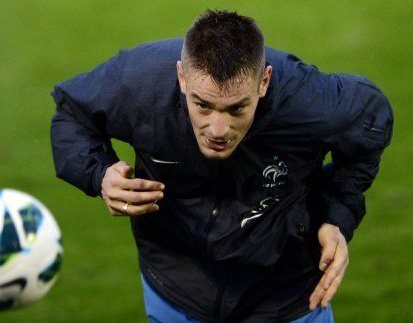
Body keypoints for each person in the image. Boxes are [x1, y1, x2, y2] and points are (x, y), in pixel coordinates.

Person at [50, 9, 393, 322]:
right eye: (203, 105)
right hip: (175, 288)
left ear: (264, 82)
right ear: (182, 78)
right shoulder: (139, 82)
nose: (217, 129)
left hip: (288, 295)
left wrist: (336, 216)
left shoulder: (309, 100)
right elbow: (72, 113)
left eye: (236, 109)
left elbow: (372, 122)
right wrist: (99, 174)